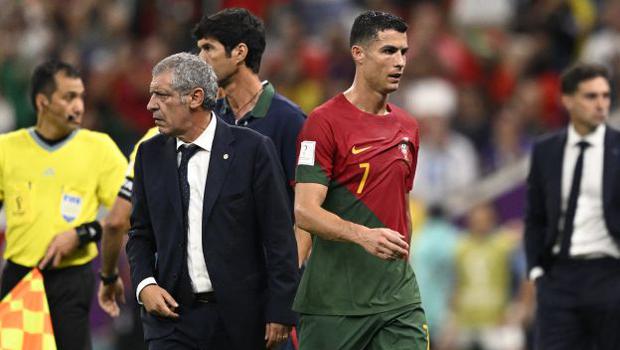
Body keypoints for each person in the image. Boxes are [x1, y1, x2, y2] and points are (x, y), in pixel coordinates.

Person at [126, 52, 298, 349]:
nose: (150, 105)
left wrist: (281, 309)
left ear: (194, 97)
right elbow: (140, 234)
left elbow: (279, 236)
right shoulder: (149, 154)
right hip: (172, 321)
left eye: (161, 95)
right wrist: (145, 285)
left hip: (241, 322)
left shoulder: (253, 150)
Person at [293, 11, 429, 349]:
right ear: (359, 53)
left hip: (398, 301)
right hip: (334, 304)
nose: (399, 61)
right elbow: (305, 212)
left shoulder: (408, 127)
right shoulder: (322, 123)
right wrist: (363, 236)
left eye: (403, 52)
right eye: (388, 51)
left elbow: (401, 205)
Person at [0, 60, 127, 349]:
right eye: (69, 97)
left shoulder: (100, 148)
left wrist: (82, 234)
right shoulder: (7, 149)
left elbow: (131, 213)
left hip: (72, 279)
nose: (79, 106)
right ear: (42, 102)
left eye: (81, 96)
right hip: (21, 277)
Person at [193, 8, 310, 266]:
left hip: (270, 279)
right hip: (221, 281)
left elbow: (307, 210)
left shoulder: (290, 121)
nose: (199, 58)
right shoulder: (209, 119)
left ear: (240, 53)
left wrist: (289, 276)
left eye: (208, 48)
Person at [524, 63, 620, 349]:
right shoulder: (546, 150)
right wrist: (536, 270)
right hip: (558, 277)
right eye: (591, 96)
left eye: (605, 95)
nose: (601, 104)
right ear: (567, 100)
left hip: (610, 274)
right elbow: (536, 216)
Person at [98, 126, 158, 318]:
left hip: (162, 287)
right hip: (234, 286)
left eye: (161, 95)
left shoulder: (154, 139)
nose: (152, 104)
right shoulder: (244, 136)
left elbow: (117, 221)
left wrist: (108, 276)